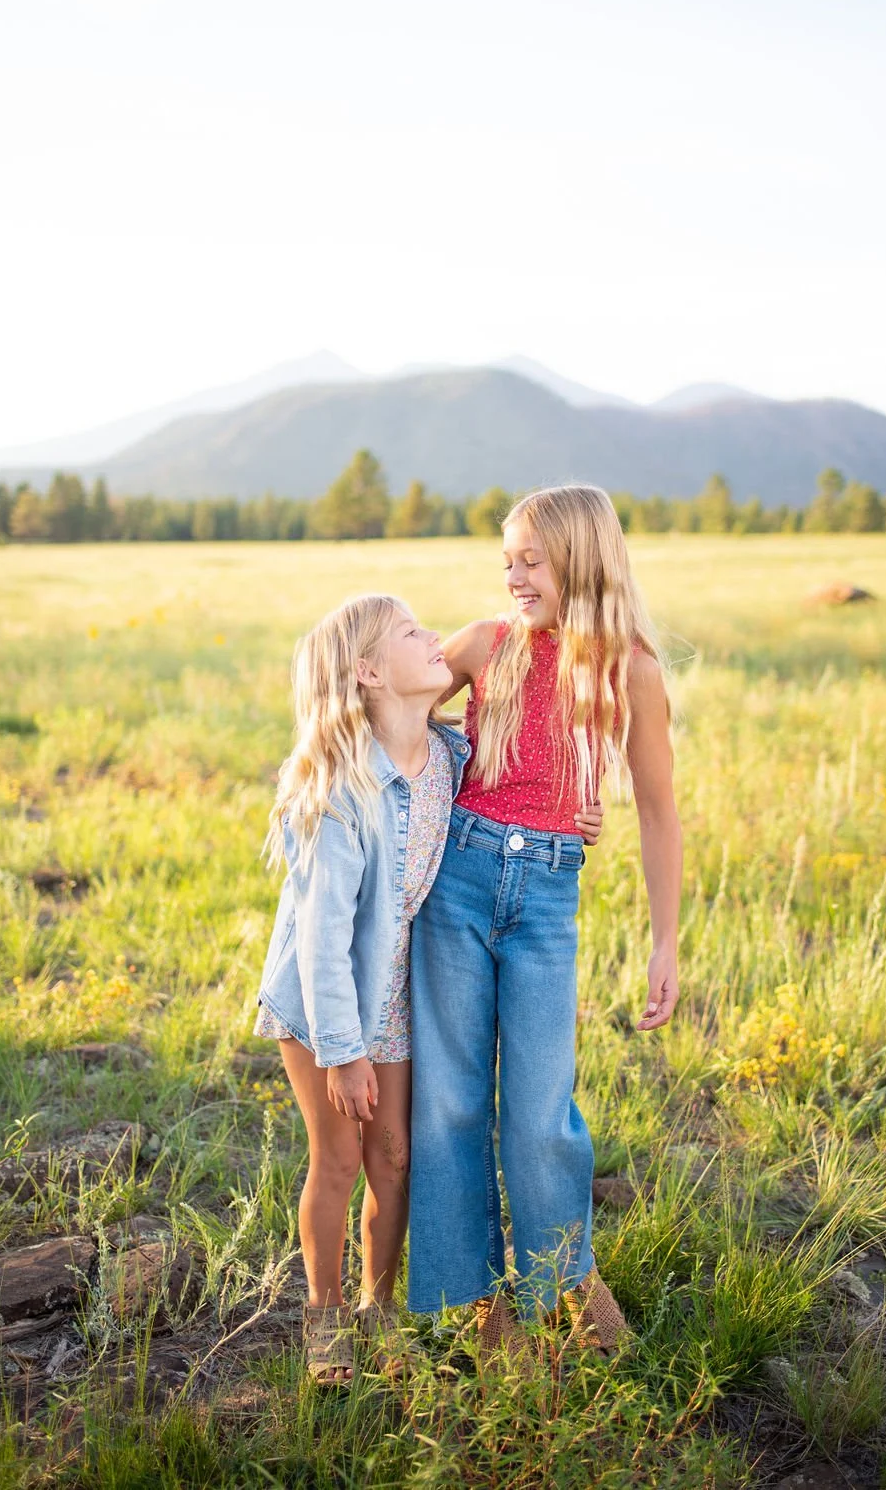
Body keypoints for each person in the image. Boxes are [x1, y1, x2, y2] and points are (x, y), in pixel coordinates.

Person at [255, 591, 605, 1384]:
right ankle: (326, 1317)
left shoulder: (447, 760)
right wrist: (345, 1055)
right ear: (371, 672)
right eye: (413, 633)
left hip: (394, 996)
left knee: (397, 1156)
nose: (434, 636)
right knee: (338, 1158)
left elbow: (522, 784)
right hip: (322, 1006)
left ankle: (379, 1310)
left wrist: (579, 813)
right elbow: (321, 944)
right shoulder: (340, 793)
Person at [407, 484, 682, 1366]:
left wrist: (665, 941)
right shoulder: (488, 643)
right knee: (450, 1100)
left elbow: (659, 809)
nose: (515, 576)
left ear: (582, 558)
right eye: (508, 561)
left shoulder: (630, 668)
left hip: (549, 900)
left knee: (539, 1109)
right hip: (460, 880)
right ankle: (480, 1304)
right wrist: (447, 744)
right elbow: (393, 714)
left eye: (533, 559)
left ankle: (564, 1279)